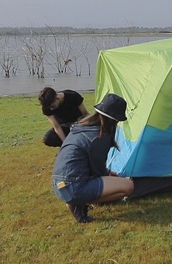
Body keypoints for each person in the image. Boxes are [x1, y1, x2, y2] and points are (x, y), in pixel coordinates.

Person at [51, 93, 134, 223]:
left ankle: (74, 199)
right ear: (115, 121)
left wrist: (107, 174)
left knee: (114, 183)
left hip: (58, 185)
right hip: (75, 186)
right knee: (128, 186)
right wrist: (108, 176)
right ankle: (78, 201)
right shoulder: (99, 137)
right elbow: (97, 170)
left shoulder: (80, 126)